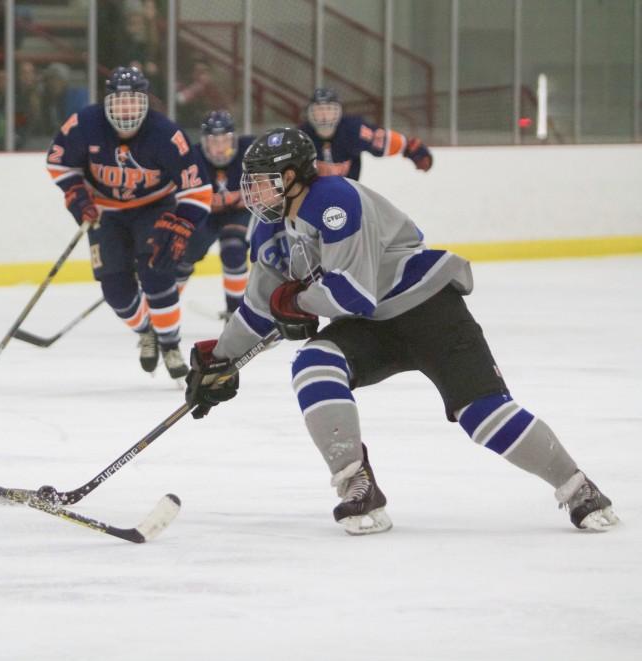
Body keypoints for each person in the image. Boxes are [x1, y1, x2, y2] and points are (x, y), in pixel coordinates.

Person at [185, 127, 618, 535]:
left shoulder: (333, 199)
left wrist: (296, 301)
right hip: (373, 328)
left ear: (293, 177)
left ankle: (579, 486)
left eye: (263, 181)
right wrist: (220, 359)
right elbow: (261, 308)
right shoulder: (269, 229)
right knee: (315, 363)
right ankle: (358, 485)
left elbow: (353, 294)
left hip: (427, 308)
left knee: (483, 416)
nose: (254, 192)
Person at [46, 65, 212, 378]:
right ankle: (147, 331)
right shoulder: (84, 124)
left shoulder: (166, 134)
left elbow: (198, 189)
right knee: (116, 291)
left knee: (157, 274)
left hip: (154, 208)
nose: (126, 111)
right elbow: (58, 163)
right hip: (106, 212)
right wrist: (77, 197)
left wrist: (183, 223)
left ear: (146, 102)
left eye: (133, 102)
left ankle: (171, 342)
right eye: (119, 103)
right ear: (106, 103)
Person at [176, 110, 254, 319]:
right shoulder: (192, 158)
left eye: (225, 141)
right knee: (181, 256)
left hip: (238, 213)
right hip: (205, 215)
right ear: (204, 143)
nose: (220, 148)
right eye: (214, 142)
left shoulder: (251, 152)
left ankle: (236, 314)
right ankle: (163, 311)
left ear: (234, 140)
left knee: (234, 250)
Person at [299, 87, 433, 181]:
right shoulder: (301, 136)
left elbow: (386, 141)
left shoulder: (354, 130)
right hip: (311, 199)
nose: (324, 117)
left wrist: (416, 151)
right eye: (319, 111)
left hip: (347, 196)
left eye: (329, 110)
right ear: (310, 113)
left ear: (339, 111)